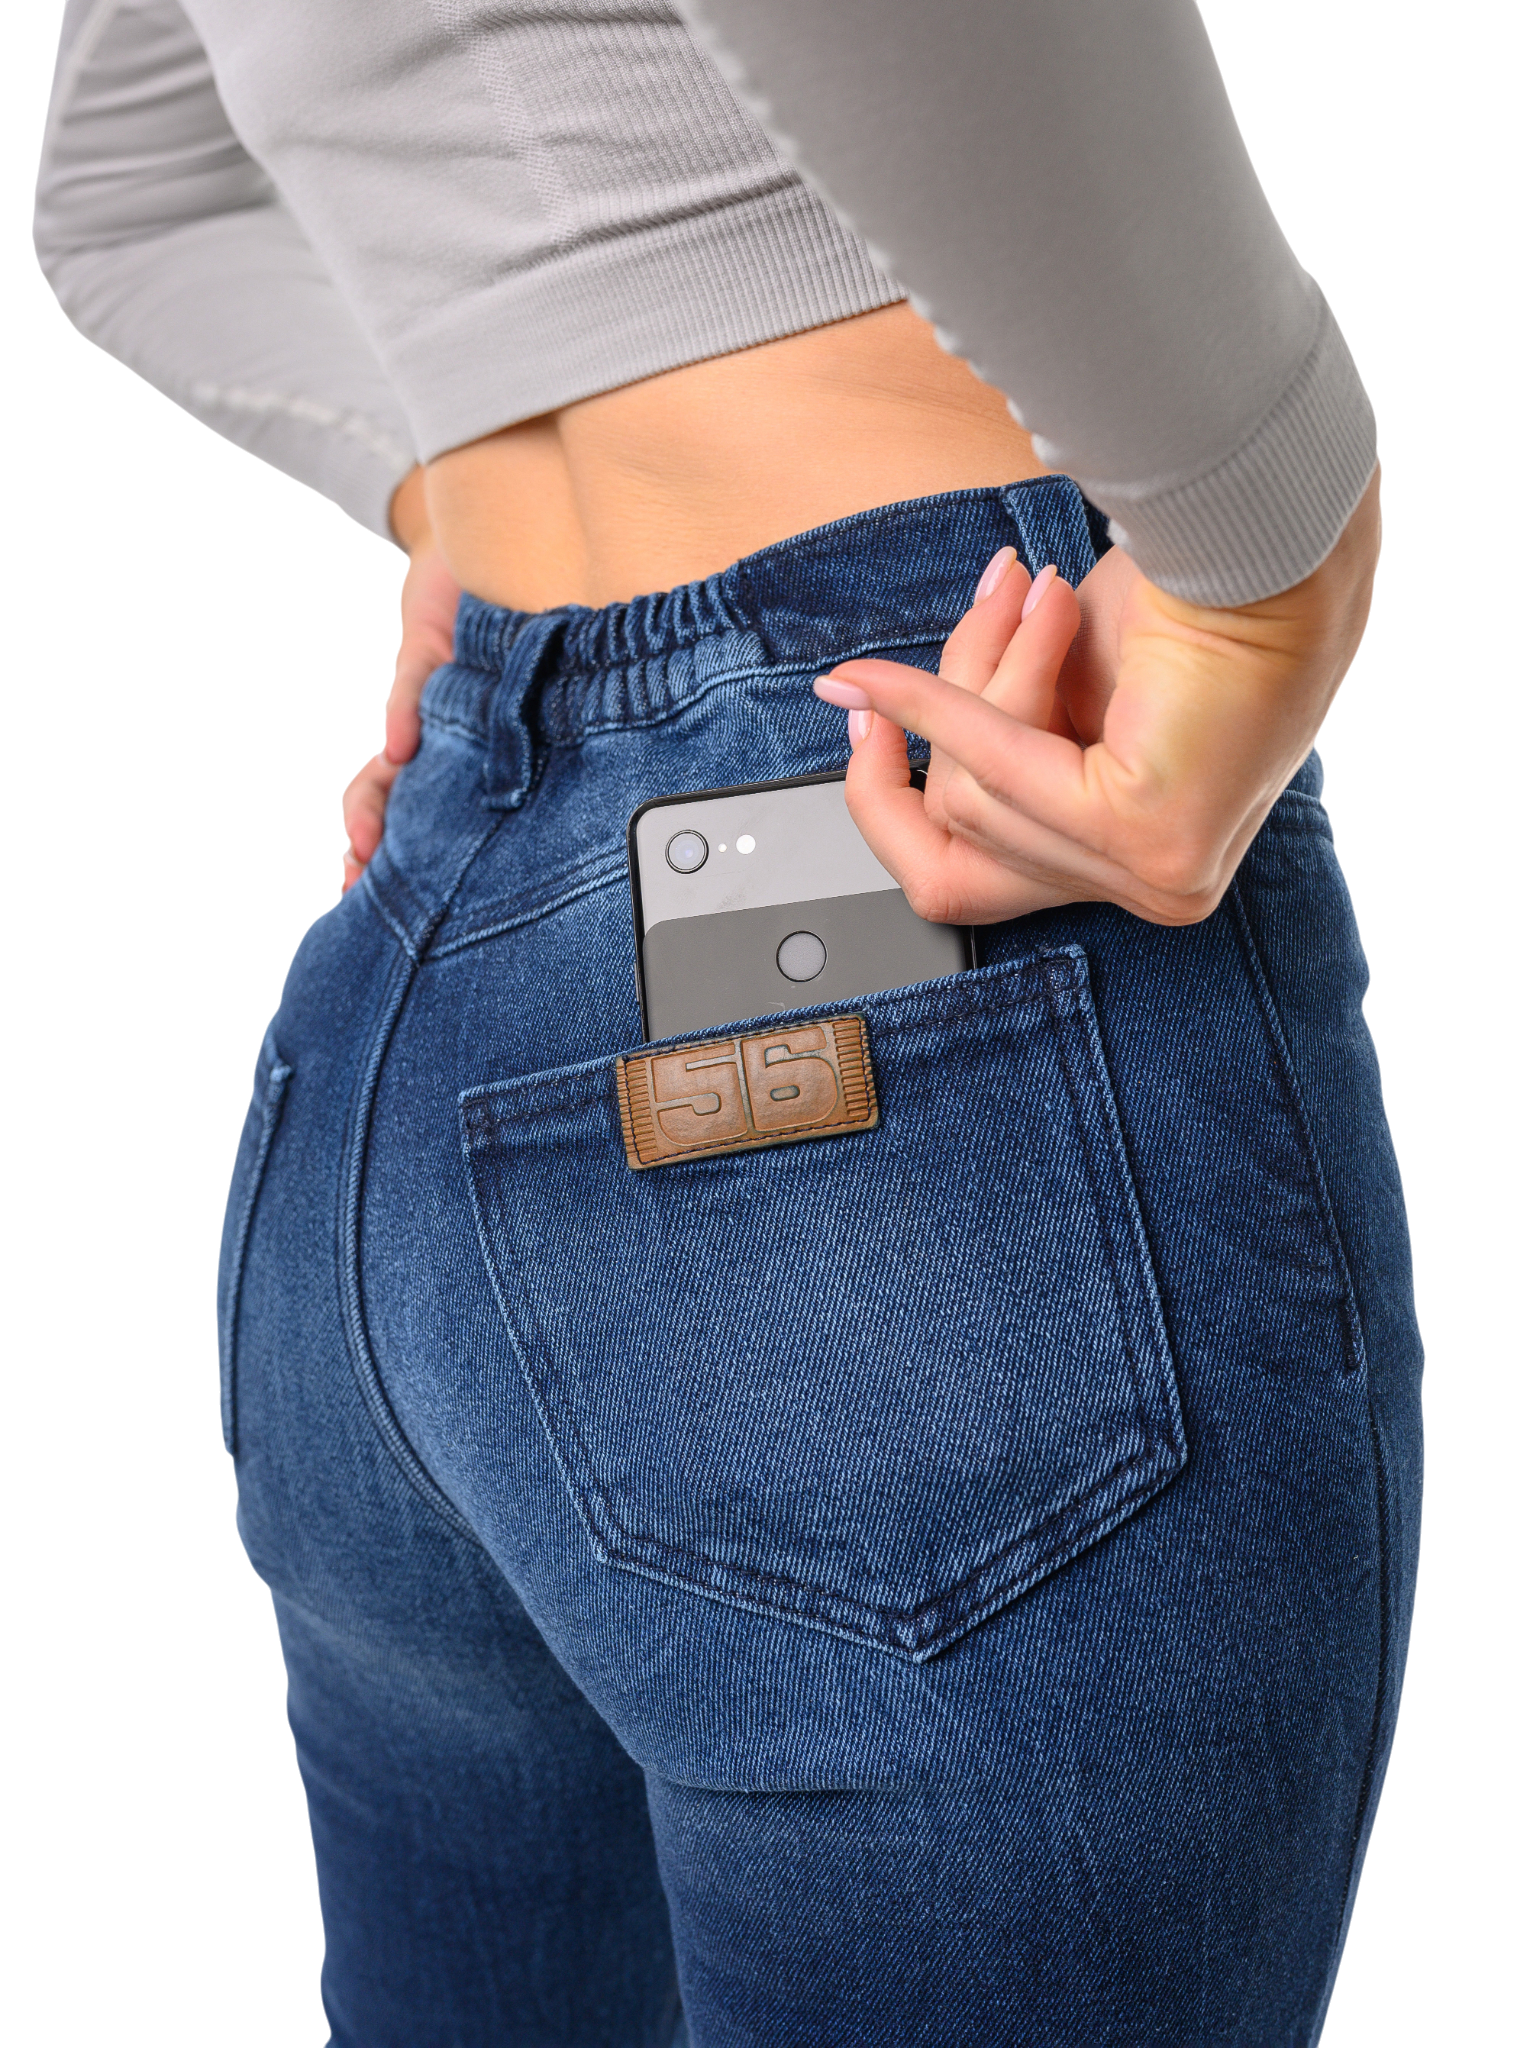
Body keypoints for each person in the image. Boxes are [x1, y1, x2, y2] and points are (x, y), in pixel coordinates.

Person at [36, 4, 1418, 2042]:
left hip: (421, 997)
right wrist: (1265, 545)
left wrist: (454, 493)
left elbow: (130, 197)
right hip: (935, 794)